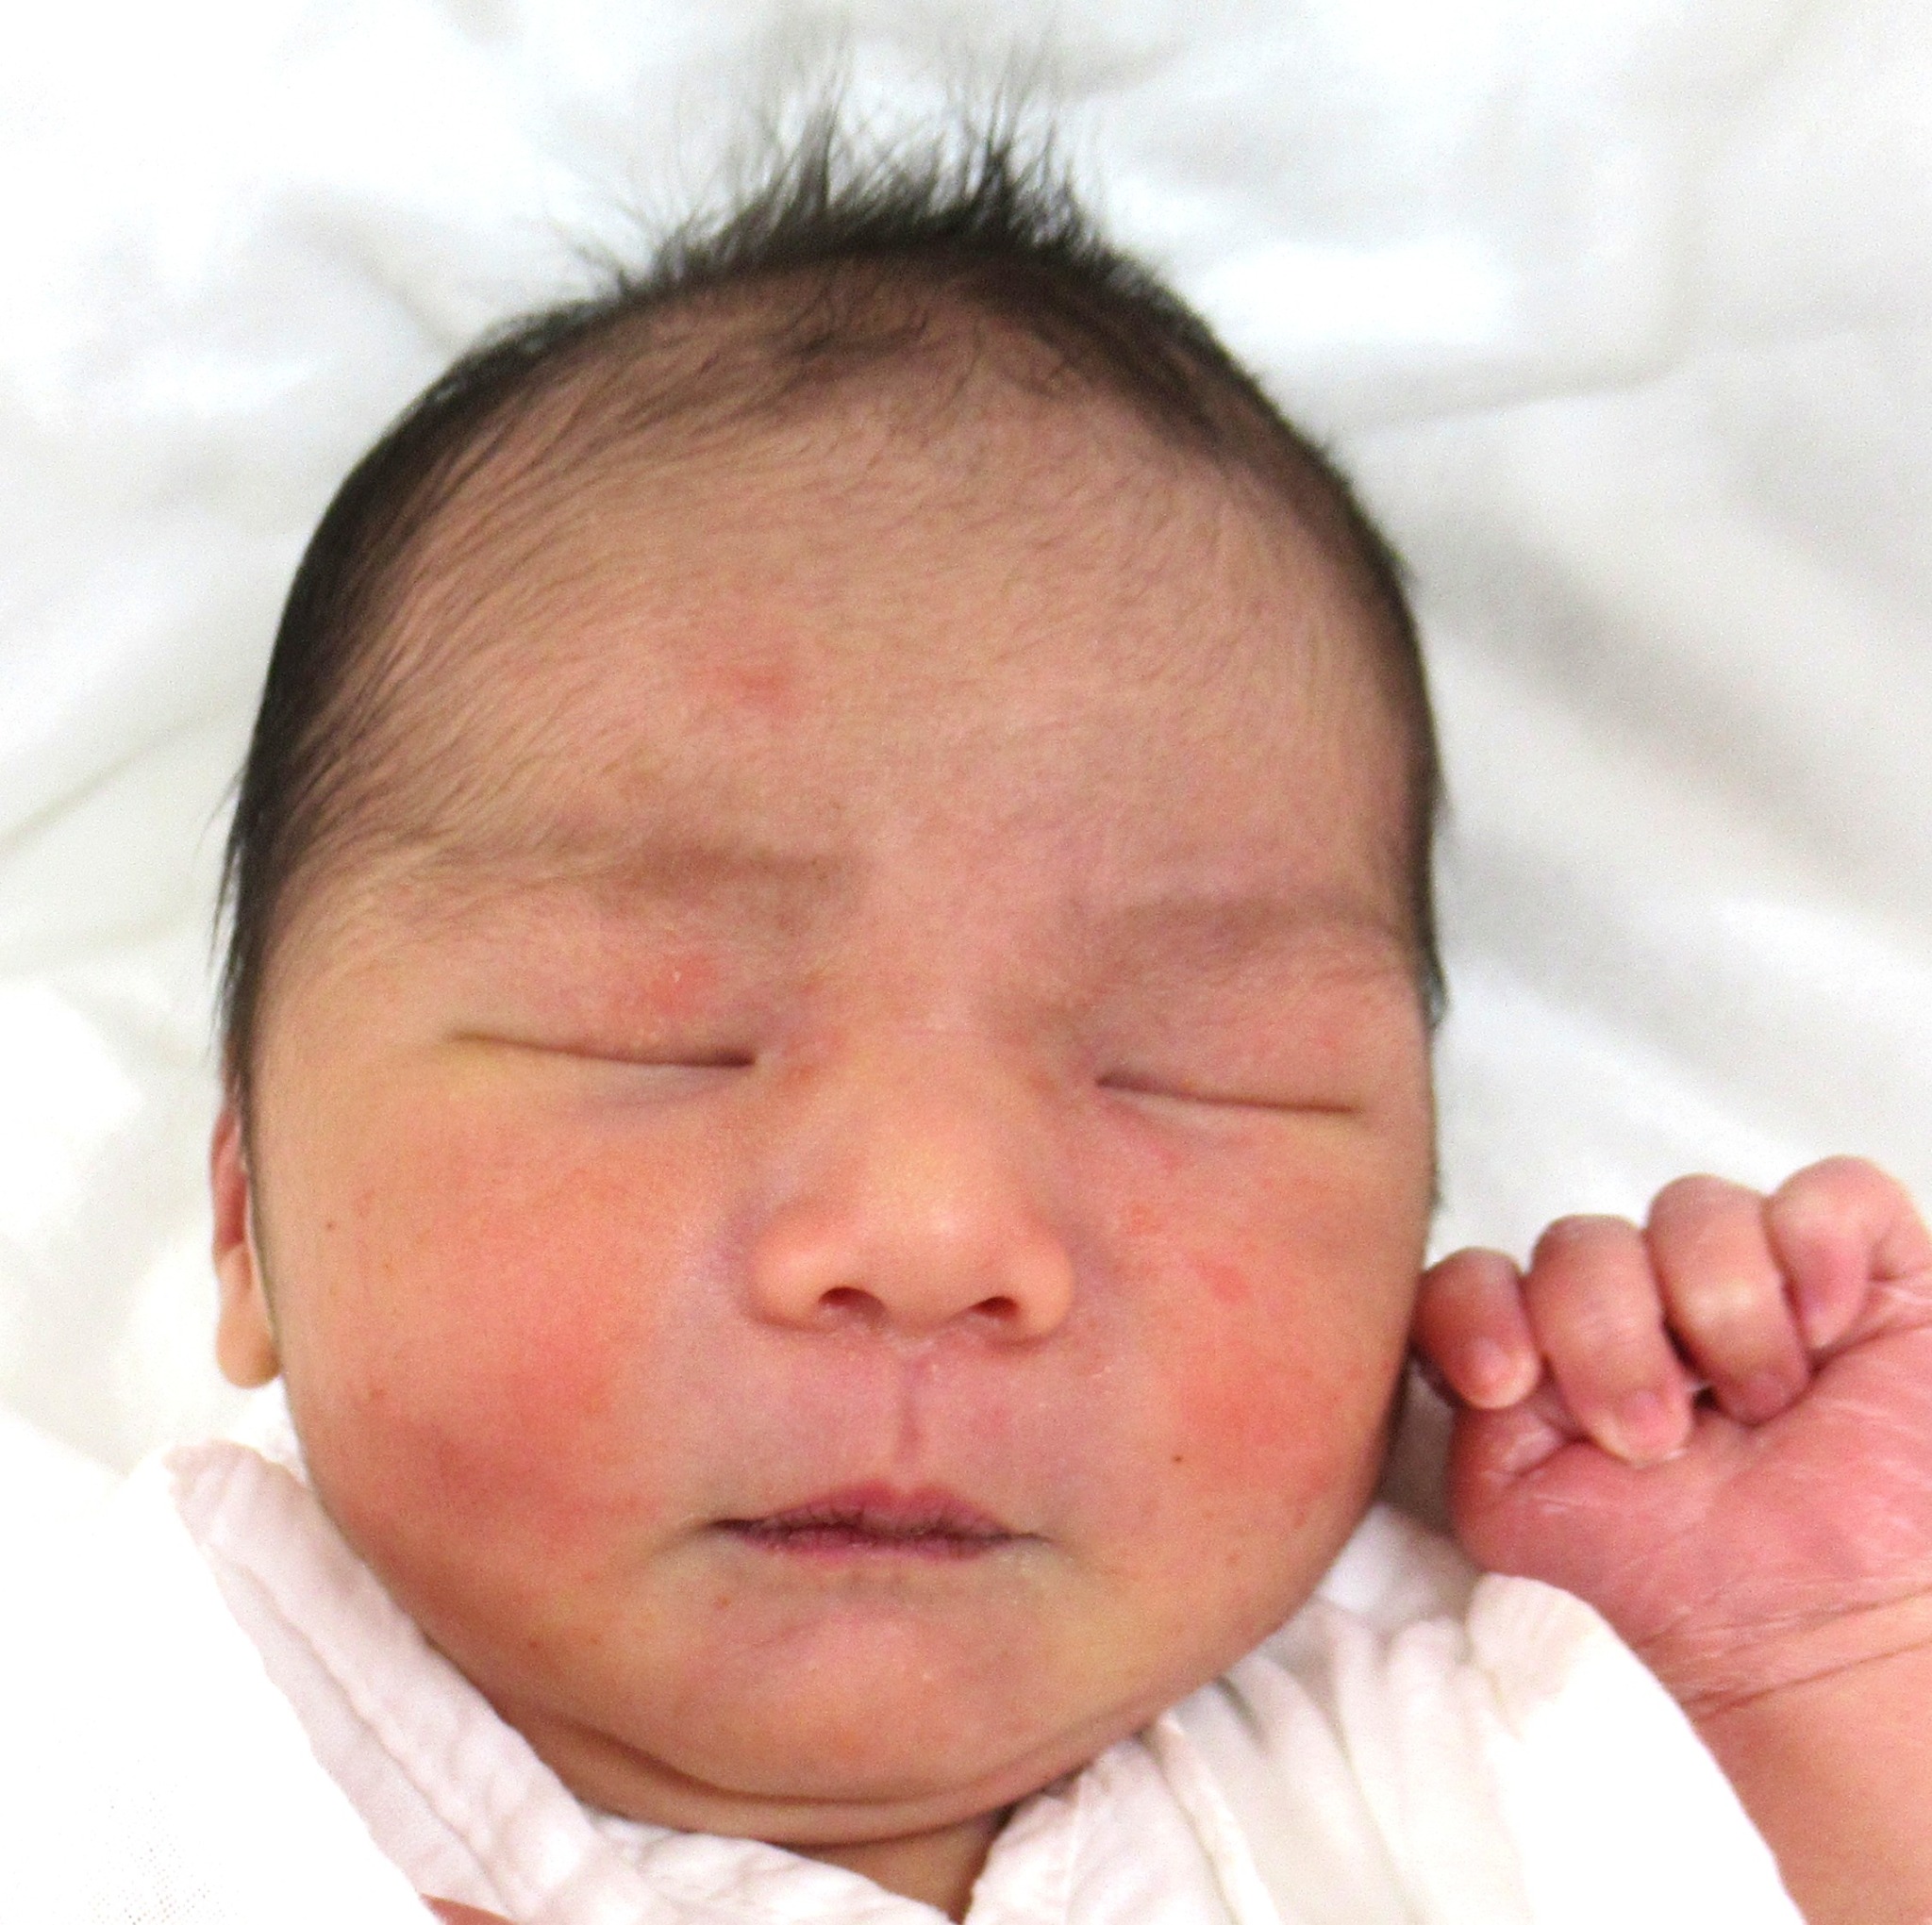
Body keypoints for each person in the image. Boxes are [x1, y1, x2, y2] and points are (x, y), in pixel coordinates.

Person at [12, 114, 1927, 1924]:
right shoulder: (98, 1720)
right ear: (248, 1215)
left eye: (1186, 1071)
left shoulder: (1500, 1752)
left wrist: (1812, 1676)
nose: (933, 1237)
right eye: (658, 1040)